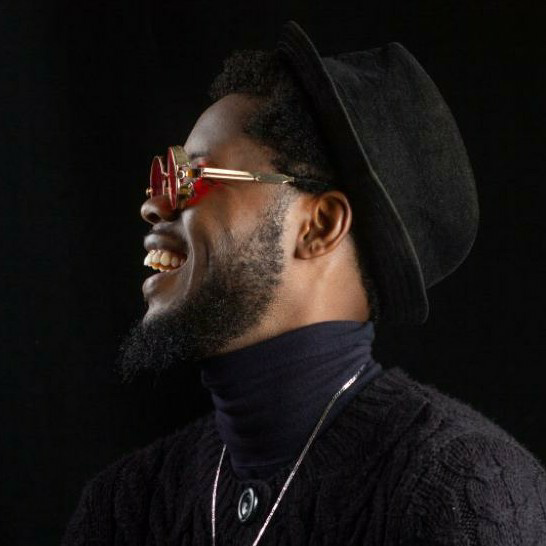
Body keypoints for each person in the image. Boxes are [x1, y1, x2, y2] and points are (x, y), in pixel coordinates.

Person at [62, 21, 546, 545]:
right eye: (164, 177)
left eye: (192, 177)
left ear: (319, 226)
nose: (155, 205)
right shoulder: (127, 504)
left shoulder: (459, 491)